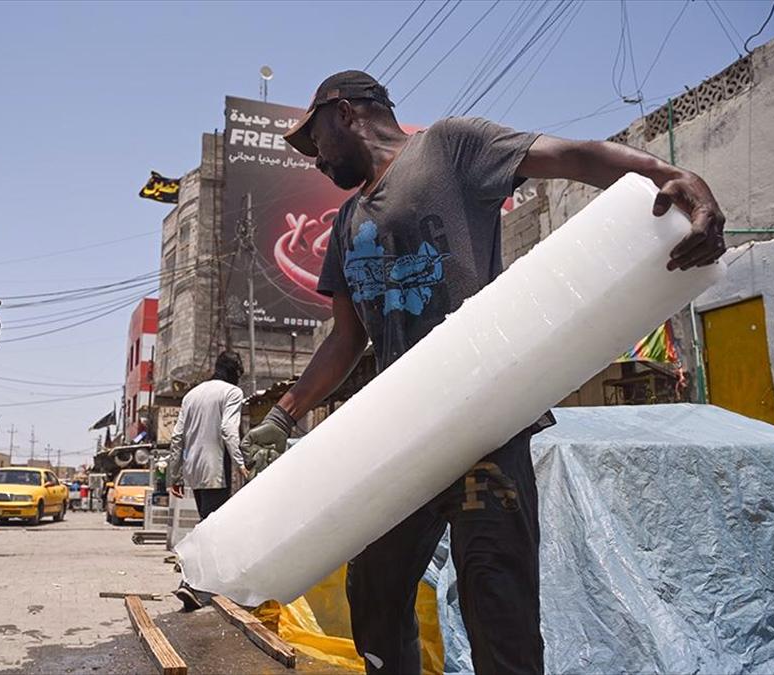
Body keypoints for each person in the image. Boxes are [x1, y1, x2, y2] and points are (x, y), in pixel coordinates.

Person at [240, 70, 725, 675]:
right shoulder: (345, 223)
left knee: (497, 599)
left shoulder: (449, 148)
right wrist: (285, 413)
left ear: (343, 113)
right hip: (395, 439)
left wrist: (672, 177)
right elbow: (346, 339)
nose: (315, 161)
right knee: (375, 593)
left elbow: (575, 156)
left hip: (480, 428)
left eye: (315, 142)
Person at [169, 351, 249, 611]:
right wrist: (240, 462)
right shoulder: (232, 393)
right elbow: (228, 429)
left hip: (194, 470)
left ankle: (202, 584)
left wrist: (175, 474)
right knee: (212, 529)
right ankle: (191, 583)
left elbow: (177, 436)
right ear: (236, 372)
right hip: (217, 468)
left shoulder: (192, 394)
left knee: (209, 524)